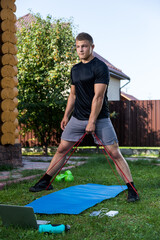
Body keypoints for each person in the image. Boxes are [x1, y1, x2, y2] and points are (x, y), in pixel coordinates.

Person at [29, 32, 139, 202]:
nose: (81, 49)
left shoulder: (100, 67)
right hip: (77, 117)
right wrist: (66, 116)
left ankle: (132, 189)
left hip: (99, 118)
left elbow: (99, 97)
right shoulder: (75, 69)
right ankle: (45, 181)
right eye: (78, 47)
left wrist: (92, 121)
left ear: (92, 47)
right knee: (61, 149)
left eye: (84, 46)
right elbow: (73, 94)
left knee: (114, 152)